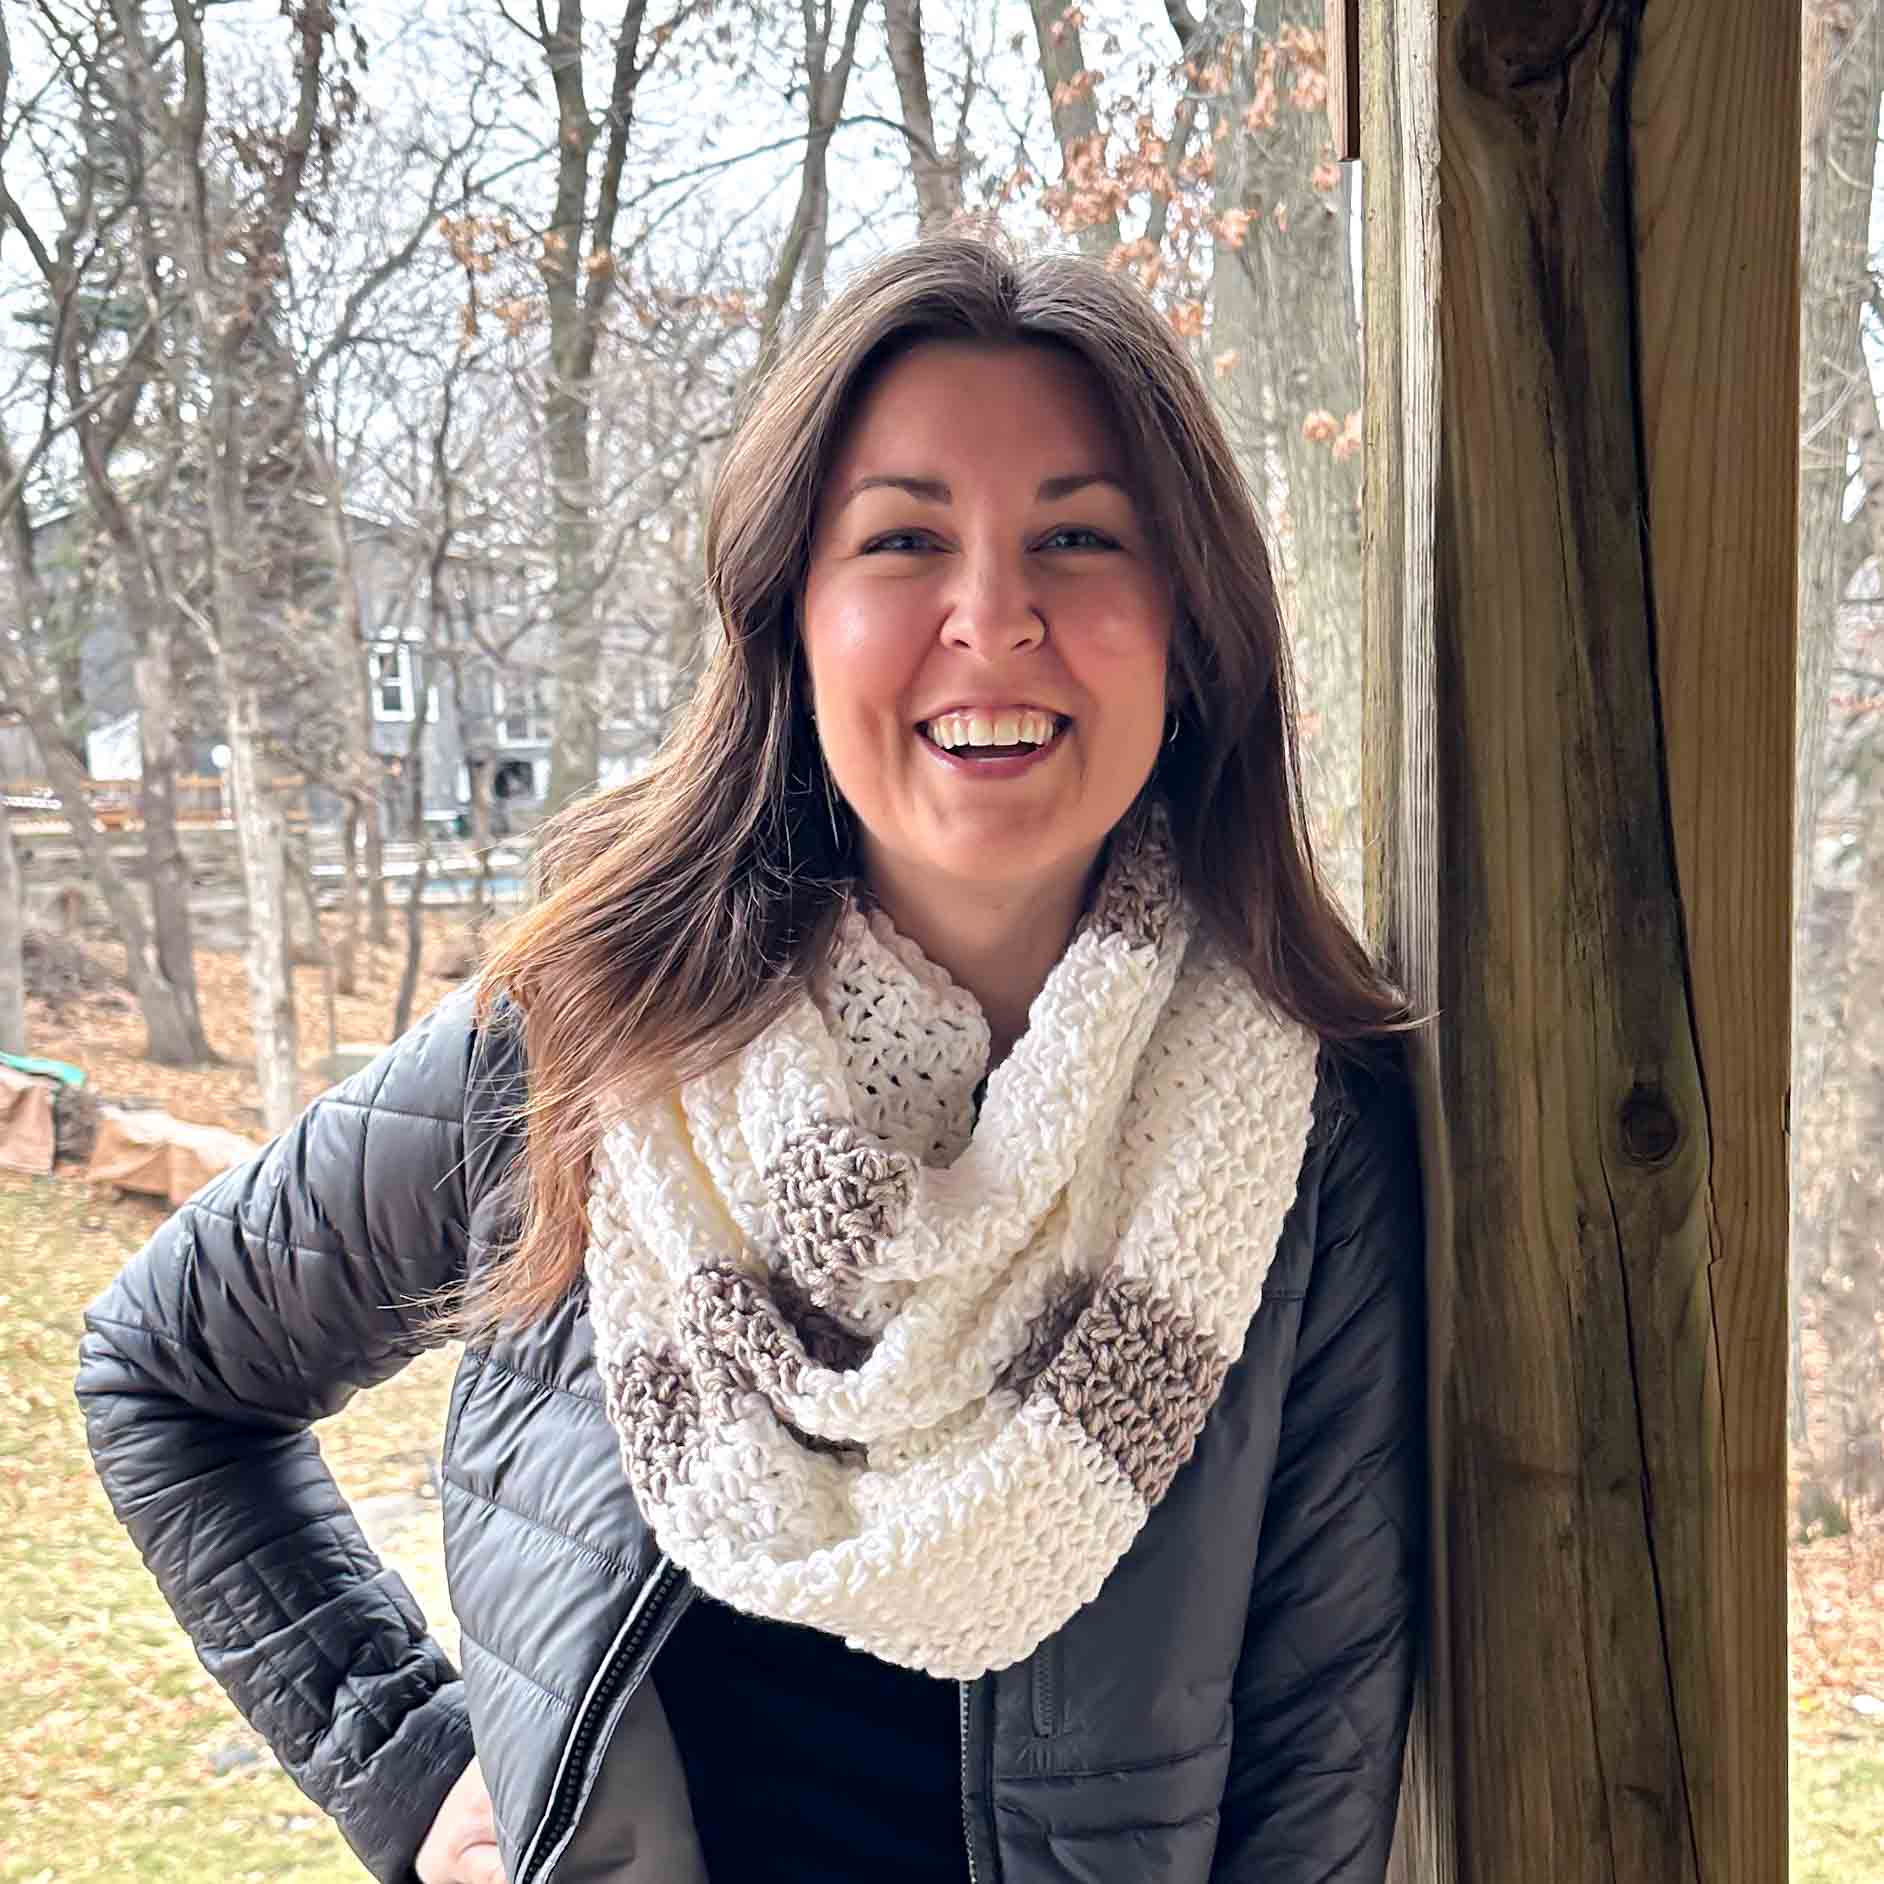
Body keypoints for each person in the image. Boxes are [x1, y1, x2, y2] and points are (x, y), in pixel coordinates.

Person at [77, 231, 1426, 1884]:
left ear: (1191, 627)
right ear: (793, 611)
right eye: (904, 539)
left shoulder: (1303, 1143)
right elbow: (164, 1374)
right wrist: (418, 1772)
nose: (992, 618)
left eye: (1079, 538)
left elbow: (1312, 1792)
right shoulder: (587, 1042)